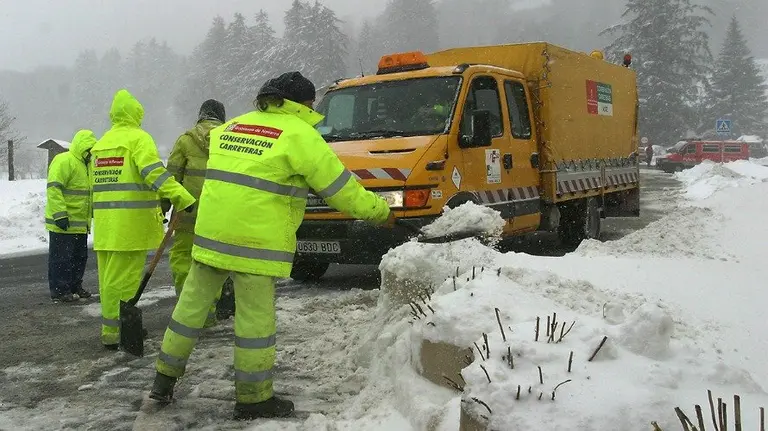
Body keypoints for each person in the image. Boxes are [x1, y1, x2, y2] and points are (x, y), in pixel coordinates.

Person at [149, 71, 396, 420]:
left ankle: (163, 380)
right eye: (311, 102)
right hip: (255, 243)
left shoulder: (232, 127)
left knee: (188, 311)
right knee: (254, 323)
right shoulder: (300, 135)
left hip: (211, 236)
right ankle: (253, 399)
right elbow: (341, 190)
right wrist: (380, 213)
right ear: (304, 103)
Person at [90, 89, 196, 351]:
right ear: (136, 113)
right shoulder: (138, 139)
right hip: (130, 225)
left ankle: (111, 329)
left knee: (108, 280)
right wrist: (181, 196)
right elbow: (154, 173)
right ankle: (120, 332)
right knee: (125, 280)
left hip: (105, 224)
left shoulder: (101, 144)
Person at [163, 99, 231, 328]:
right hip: (219, 215)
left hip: (187, 214)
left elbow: (171, 178)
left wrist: (164, 205)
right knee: (212, 261)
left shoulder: (186, 140)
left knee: (183, 258)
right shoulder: (230, 140)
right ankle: (208, 312)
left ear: (201, 115)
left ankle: (186, 311)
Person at [45, 129, 97, 303]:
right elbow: (54, 188)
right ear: (82, 147)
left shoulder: (88, 166)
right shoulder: (64, 160)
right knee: (61, 259)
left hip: (80, 224)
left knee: (79, 258)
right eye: (89, 149)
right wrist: (60, 215)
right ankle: (60, 290)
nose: (91, 153)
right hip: (63, 222)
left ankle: (74, 286)